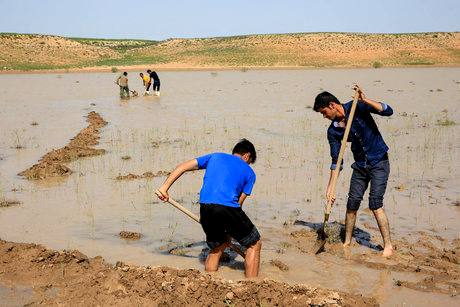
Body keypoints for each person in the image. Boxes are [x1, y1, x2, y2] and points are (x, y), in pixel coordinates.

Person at [156, 139, 262, 277]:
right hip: (227, 207)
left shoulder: (215, 156)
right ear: (247, 156)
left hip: (205, 206)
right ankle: (252, 286)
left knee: (218, 247)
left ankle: (209, 283)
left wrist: (164, 188)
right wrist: (230, 230)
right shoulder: (250, 173)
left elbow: (182, 167)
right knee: (255, 244)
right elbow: (238, 204)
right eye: (249, 162)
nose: (248, 164)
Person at [313, 85, 394, 257]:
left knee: (375, 203)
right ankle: (347, 242)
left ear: (332, 105)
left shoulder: (357, 106)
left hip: (379, 161)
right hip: (360, 165)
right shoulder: (333, 131)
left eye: (324, 112)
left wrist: (366, 100)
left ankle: (388, 246)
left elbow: (388, 111)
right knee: (352, 204)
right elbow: (336, 161)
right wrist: (330, 187)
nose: (324, 116)